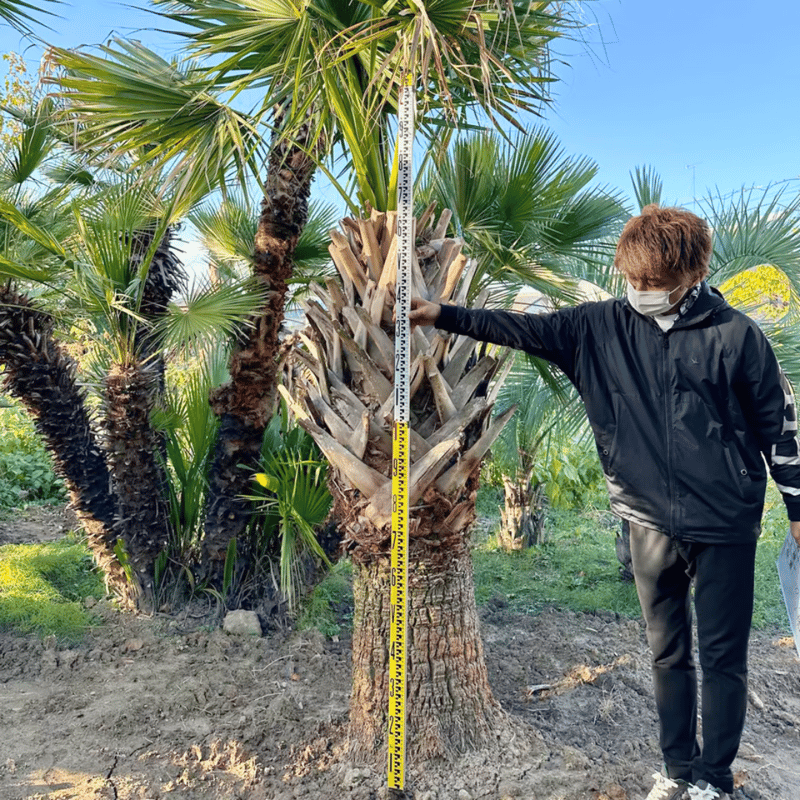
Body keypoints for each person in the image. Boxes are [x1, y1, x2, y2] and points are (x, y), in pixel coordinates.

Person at [409, 204, 800, 800]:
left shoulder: (737, 336)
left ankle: (714, 781)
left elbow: (779, 424)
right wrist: (442, 313)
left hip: (725, 523)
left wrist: (797, 508)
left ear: (693, 275)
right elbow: (519, 328)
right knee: (667, 654)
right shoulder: (597, 328)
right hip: (647, 523)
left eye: (654, 282)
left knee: (724, 658)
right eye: (632, 279)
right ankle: (677, 772)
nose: (640, 290)